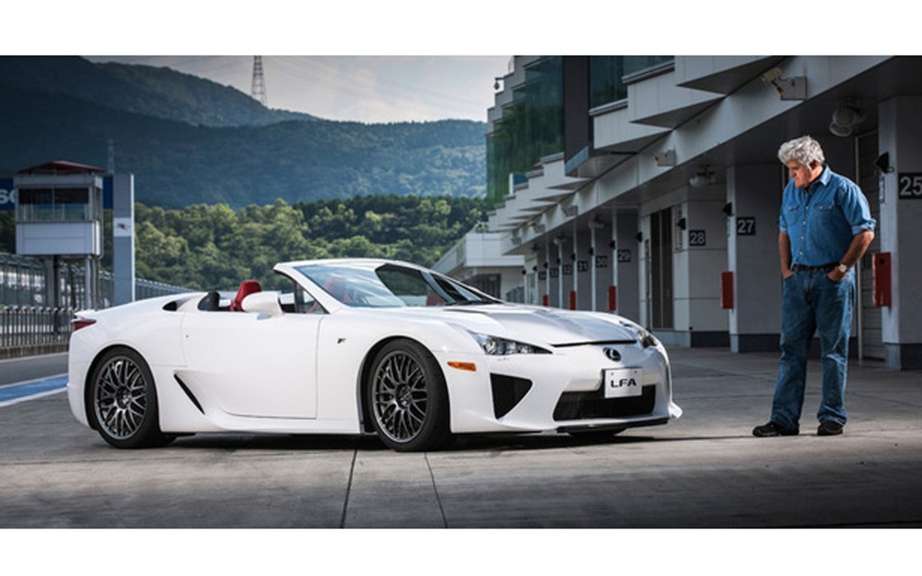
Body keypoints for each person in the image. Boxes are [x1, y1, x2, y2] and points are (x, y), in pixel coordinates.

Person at [753, 135, 876, 438]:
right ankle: (783, 420)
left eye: (796, 169)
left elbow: (865, 233)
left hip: (831, 281)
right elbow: (784, 232)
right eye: (789, 169)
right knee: (790, 351)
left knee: (833, 352)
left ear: (814, 165)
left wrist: (840, 271)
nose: (791, 174)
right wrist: (785, 271)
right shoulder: (790, 192)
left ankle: (832, 417)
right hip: (797, 281)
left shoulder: (844, 190)